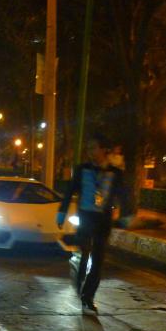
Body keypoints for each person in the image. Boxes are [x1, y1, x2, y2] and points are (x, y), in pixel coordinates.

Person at [57, 134, 124, 313]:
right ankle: (78, 278)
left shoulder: (115, 173)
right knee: (83, 251)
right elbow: (70, 190)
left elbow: (123, 195)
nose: (90, 151)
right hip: (85, 217)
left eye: (94, 147)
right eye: (89, 148)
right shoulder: (82, 169)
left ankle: (88, 296)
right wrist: (62, 212)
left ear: (104, 150)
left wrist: (126, 215)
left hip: (103, 220)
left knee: (98, 260)